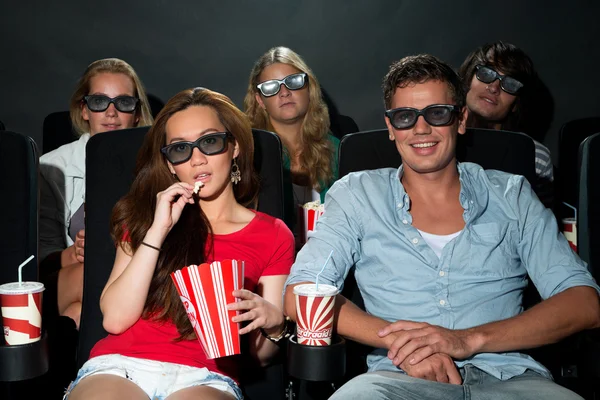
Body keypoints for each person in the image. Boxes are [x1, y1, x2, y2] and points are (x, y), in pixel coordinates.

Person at [284, 54, 600, 400]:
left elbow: (584, 303)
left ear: (461, 119)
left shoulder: (512, 195)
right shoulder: (357, 194)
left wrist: (467, 340)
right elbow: (299, 293)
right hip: (397, 378)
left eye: (437, 114)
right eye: (405, 117)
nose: (421, 129)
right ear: (391, 128)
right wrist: (405, 345)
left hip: (512, 378)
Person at [64, 87, 295, 400]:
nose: (197, 159)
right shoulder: (146, 217)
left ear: (234, 147)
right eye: (180, 149)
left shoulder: (272, 234)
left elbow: (259, 357)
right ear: (171, 164)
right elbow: (115, 320)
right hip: (120, 366)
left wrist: (274, 324)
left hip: (207, 377)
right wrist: (158, 230)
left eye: (210, 142)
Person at [39, 58, 154, 328]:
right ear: (84, 110)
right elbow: (37, 258)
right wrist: (75, 253)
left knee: (79, 313)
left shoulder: (158, 164)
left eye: (123, 103)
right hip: (72, 276)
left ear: (137, 112)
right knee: (95, 277)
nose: (111, 113)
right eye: (99, 102)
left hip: (137, 277)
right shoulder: (51, 167)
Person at [244, 47, 339, 234]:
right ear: (260, 101)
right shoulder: (250, 156)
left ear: (309, 88)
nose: (284, 92)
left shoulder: (337, 149)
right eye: (271, 86)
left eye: (293, 81)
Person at [459, 41, 554, 208]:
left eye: (510, 84)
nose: (494, 88)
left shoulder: (535, 155)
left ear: (517, 103)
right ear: (468, 79)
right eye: (486, 73)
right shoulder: (437, 141)